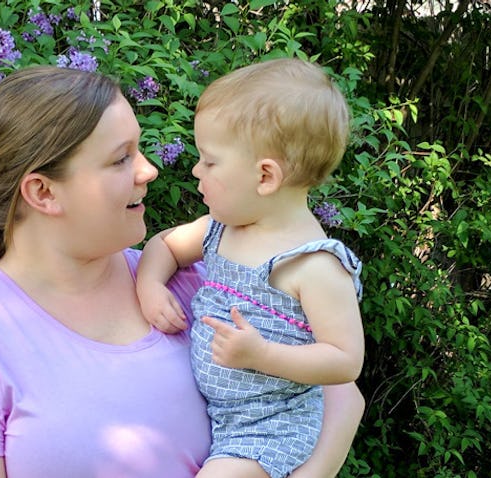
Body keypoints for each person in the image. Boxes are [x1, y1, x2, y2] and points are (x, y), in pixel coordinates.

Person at [0, 65, 365, 478]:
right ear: (43, 193)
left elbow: (339, 396)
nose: (149, 170)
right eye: (121, 158)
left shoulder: (192, 284)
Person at [135, 58, 365, 478]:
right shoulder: (220, 228)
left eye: (209, 161)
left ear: (265, 176)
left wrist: (262, 354)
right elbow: (164, 245)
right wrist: (150, 284)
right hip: (218, 413)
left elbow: (345, 361)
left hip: (271, 424)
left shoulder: (312, 264)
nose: (195, 170)